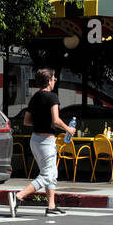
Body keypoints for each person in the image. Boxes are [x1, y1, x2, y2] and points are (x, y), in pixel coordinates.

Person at [9, 68, 74, 216]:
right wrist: (68, 129)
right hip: (46, 141)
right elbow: (56, 120)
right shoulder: (52, 97)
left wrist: (41, 122)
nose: (55, 80)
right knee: (48, 175)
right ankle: (18, 196)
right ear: (49, 81)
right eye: (54, 78)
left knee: (51, 172)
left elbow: (26, 121)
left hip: (35, 140)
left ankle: (51, 207)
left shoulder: (35, 97)